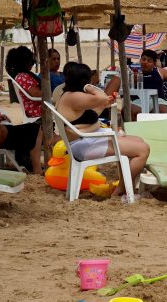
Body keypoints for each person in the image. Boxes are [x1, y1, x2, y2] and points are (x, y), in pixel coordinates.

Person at [56, 63, 149, 200]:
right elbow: (101, 96)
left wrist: (103, 104)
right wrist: (89, 87)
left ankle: (125, 186)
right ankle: (121, 189)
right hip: (84, 145)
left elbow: (89, 115)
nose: (93, 81)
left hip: (88, 140)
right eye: (89, 79)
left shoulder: (71, 96)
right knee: (143, 149)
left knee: (138, 141)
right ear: (84, 81)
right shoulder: (74, 96)